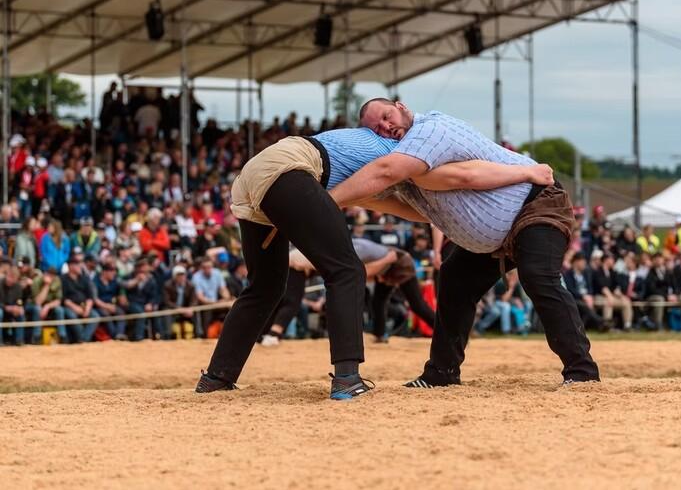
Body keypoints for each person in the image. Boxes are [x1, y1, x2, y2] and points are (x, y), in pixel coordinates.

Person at [200, 119, 554, 399]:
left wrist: (436, 213)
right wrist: (522, 173)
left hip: (255, 177)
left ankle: (217, 378)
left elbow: (404, 206)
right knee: (347, 270)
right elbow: (459, 177)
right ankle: (346, 379)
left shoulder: (372, 160)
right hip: (290, 169)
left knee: (265, 286)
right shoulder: (405, 150)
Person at [330, 98, 600, 387]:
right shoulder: (407, 164)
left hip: (536, 203)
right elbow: (419, 210)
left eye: (386, 116)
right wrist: (359, 198)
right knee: (455, 278)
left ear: (402, 106)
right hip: (499, 230)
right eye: (376, 128)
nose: (386, 127)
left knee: (538, 276)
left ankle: (582, 372)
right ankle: (441, 373)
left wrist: (327, 200)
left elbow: (464, 175)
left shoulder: (430, 130)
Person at [61, 255, 99, 343]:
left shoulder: (84, 278)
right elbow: (64, 299)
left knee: (95, 316)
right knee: (72, 316)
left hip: (84, 306)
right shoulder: (63, 279)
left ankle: (83, 339)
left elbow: (90, 296)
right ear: (70, 266)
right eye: (77, 264)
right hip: (70, 306)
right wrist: (75, 308)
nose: (80, 266)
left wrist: (87, 308)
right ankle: (83, 339)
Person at [562, 252, 605, 331]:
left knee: (588, 306)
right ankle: (601, 322)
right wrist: (583, 297)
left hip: (588, 298)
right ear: (576, 262)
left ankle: (583, 327)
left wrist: (590, 296)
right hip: (575, 298)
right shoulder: (568, 274)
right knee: (583, 306)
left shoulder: (586, 273)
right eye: (582, 262)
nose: (584, 264)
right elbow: (570, 289)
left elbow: (590, 287)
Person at [26, 266, 66, 344]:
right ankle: (36, 337)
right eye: (49, 274)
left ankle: (62, 336)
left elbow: (58, 301)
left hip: (48, 305)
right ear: (45, 274)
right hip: (32, 305)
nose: (51, 277)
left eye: (53, 275)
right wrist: (46, 286)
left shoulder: (57, 281)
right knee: (37, 309)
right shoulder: (37, 281)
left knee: (59, 310)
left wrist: (47, 307)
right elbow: (38, 302)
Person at [163, 265, 199, 339]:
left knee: (196, 311)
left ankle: (198, 334)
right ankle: (168, 335)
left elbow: (194, 300)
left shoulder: (191, 285)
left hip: (187, 309)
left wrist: (190, 308)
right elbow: (167, 301)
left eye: (183, 275)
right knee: (166, 311)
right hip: (173, 309)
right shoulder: (167, 285)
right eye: (179, 275)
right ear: (174, 277)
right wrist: (178, 309)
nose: (181, 277)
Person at [644, 253, 678, 331]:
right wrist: (666, 296)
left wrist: (674, 295)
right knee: (660, 299)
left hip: (668, 296)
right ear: (653, 261)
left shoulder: (668, 272)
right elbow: (652, 289)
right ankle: (658, 325)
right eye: (656, 259)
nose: (658, 261)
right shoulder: (650, 272)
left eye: (660, 258)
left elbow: (675, 285)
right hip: (653, 296)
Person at [94, 263, 127, 340]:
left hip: (112, 305)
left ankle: (119, 334)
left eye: (114, 271)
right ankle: (114, 335)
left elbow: (121, 293)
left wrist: (122, 297)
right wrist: (106, 306)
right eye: (111, 271)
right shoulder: (95, 281)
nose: (114, 273)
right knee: (105, 314)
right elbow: (95, 299)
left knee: (121, 312)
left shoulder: (115, 281)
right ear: (104, 272)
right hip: (99, 306)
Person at [0, 266, 26, 346]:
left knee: (21, 314)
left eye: (13, 278)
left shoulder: (18, 287)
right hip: (2, 308)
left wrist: (19, 308)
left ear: (16, 279)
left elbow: (19, 301)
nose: (10, 279)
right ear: (6, 274)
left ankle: (19, 340)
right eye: (9, 276)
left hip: (12, 310)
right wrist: (6, 308)